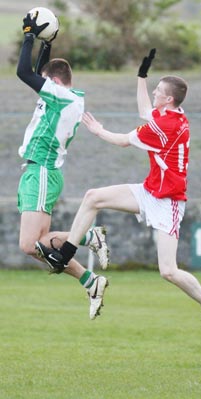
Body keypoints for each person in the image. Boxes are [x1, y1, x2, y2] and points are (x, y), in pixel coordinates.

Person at [36, 49, 201, 345]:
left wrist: (99, 130)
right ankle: (65, 254)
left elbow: (123, 140)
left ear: (168, 99)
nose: (154, 93)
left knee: (168, 271)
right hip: (150, 190)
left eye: (158, 91)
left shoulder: (166, 126)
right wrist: (141, 77)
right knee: (93, 197)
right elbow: (145, 112)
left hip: (169, 202)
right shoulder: (173, 114)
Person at [17, 12, 109, 320]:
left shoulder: (61, 97)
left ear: (54, 83)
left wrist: (30, 35)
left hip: (42, 171)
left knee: (30, 245)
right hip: (38, 171)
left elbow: (23, 72)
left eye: (45, 82)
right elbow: (38, 74)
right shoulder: (64, 95)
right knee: (38, 245)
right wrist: (47, 44)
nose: (40, 87)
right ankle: (90, 278)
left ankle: (87, 239)